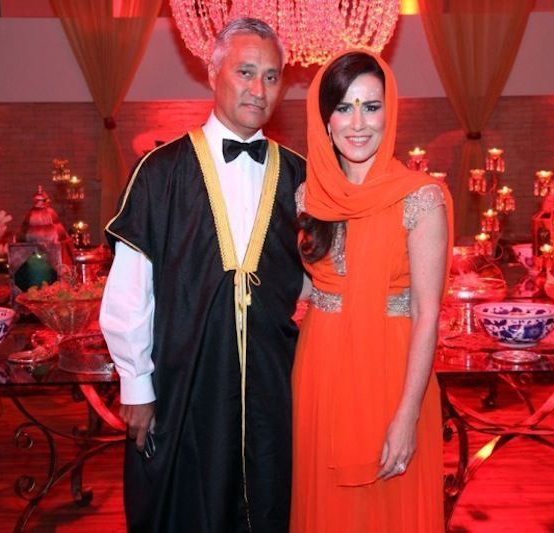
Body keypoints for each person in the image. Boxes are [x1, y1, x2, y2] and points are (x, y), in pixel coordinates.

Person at [99, 18, 305, 533]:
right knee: (184, 508)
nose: (259, 90)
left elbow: (317, 280)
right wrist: (136, 386)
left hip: (276, 388)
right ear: (213, 73)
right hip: (184, 384)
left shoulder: (302, 176)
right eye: (245, 72)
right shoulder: (160, 172)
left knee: (274, 501)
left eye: (272, 77)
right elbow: (129, 290)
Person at [291, 50, 451, 532]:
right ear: (325, 119)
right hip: (319, 371)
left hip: (393, 372)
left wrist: (407, 415)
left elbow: (427, 313)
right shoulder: (308, 197)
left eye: (371, 106)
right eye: (344, 107)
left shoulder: (421, 198)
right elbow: (304, 287)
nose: (358, 123)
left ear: (390, 111)